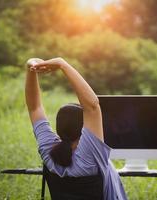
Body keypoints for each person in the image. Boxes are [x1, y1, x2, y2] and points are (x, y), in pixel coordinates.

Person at [25, 57, 127, 200]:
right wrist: (62, 64)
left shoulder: (48, 151)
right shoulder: (89, 156)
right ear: (83, 132)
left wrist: (31, 66)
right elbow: (92, 107)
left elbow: (34, 108)